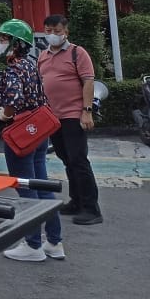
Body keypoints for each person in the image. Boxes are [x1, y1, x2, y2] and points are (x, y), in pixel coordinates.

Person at [0, 19, 64, 262]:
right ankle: (54, 241)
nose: (0, 43)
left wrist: (4, 112)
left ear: (15, 43)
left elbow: (13, 100)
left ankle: (33, 245)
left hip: (21, 133)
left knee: (26, 188)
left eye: (4, 39)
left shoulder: (13, 68)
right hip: (39, 130)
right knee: (41, 184)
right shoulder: (31, 64)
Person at [38, 14, 102, 226]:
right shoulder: (43, 56)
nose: (53, 35)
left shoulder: (77, 53)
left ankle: (92, 209)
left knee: (78, 160)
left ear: (66, 31)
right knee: (67, 159)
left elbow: (88, 82)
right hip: (53, 118)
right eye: (48, 31)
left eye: (57, 31)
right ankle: (76, 201)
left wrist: (87, 110)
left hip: (73, 115)